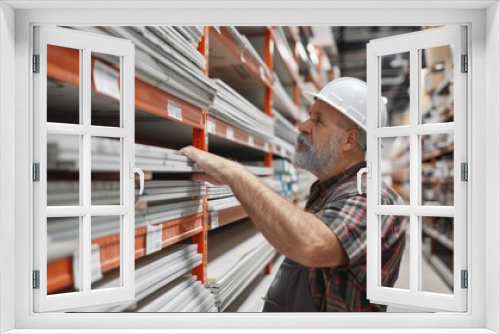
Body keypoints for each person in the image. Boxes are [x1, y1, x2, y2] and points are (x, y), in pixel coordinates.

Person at [180, 77, 407, 312]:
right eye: (310, 115)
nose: (303, 125)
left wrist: (235, 173)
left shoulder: (376, 200)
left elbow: (310, 244)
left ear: (349, 140)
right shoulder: (328, 190)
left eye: (318, 120)